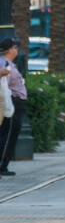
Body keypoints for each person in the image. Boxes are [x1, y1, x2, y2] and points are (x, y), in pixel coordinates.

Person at [0, 36, 27, 176]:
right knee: (8, 134)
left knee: (10, 135)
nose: (17, 50)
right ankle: (2, 165)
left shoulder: (9, 63)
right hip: (12, 102)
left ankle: (4, 165)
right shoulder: (3, 63)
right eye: (15, 47)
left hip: (16, 102)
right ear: (10, 50)